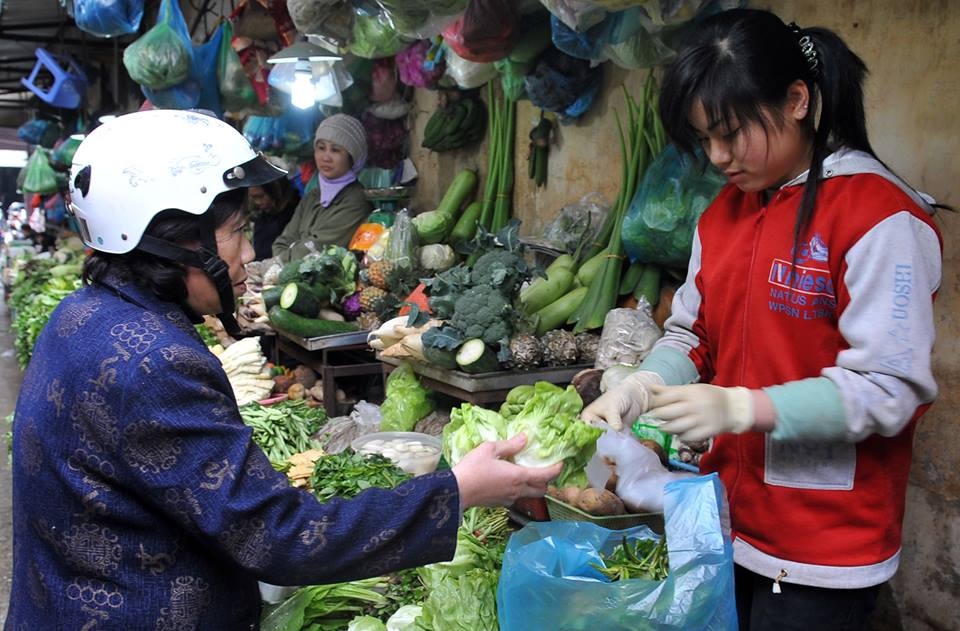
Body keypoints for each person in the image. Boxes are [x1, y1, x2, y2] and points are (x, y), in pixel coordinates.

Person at [5, 109, 561, 629]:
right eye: (236, 233)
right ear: (171, 240)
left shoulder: (80, 313)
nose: (248, 254)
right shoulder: (157, 362)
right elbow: (282, 538)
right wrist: (457, 490)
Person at [580, 9, 942, 630]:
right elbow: (692, 333)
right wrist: (643, 383)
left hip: (822, 547)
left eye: (731, 133)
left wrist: (742, 409)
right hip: (725, 516)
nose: (718, 157)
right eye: (704, 139)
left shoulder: (879, 217)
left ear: (797, 99)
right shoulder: (725, 213)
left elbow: (889, 389)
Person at [271, 113, 373, 262]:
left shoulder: (356, 200)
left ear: (351, 157)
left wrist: (282, 260)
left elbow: (319, 249)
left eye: (335, 150)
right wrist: (284, 257)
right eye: (321, 148)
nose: (326, 157)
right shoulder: (312, 196)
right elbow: (282, 242)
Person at [245, 175, 298, 261]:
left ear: (275, 191)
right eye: (254, 198)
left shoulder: (294, 215)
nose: (258, 202)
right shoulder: (262, 217)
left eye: (261, 196)